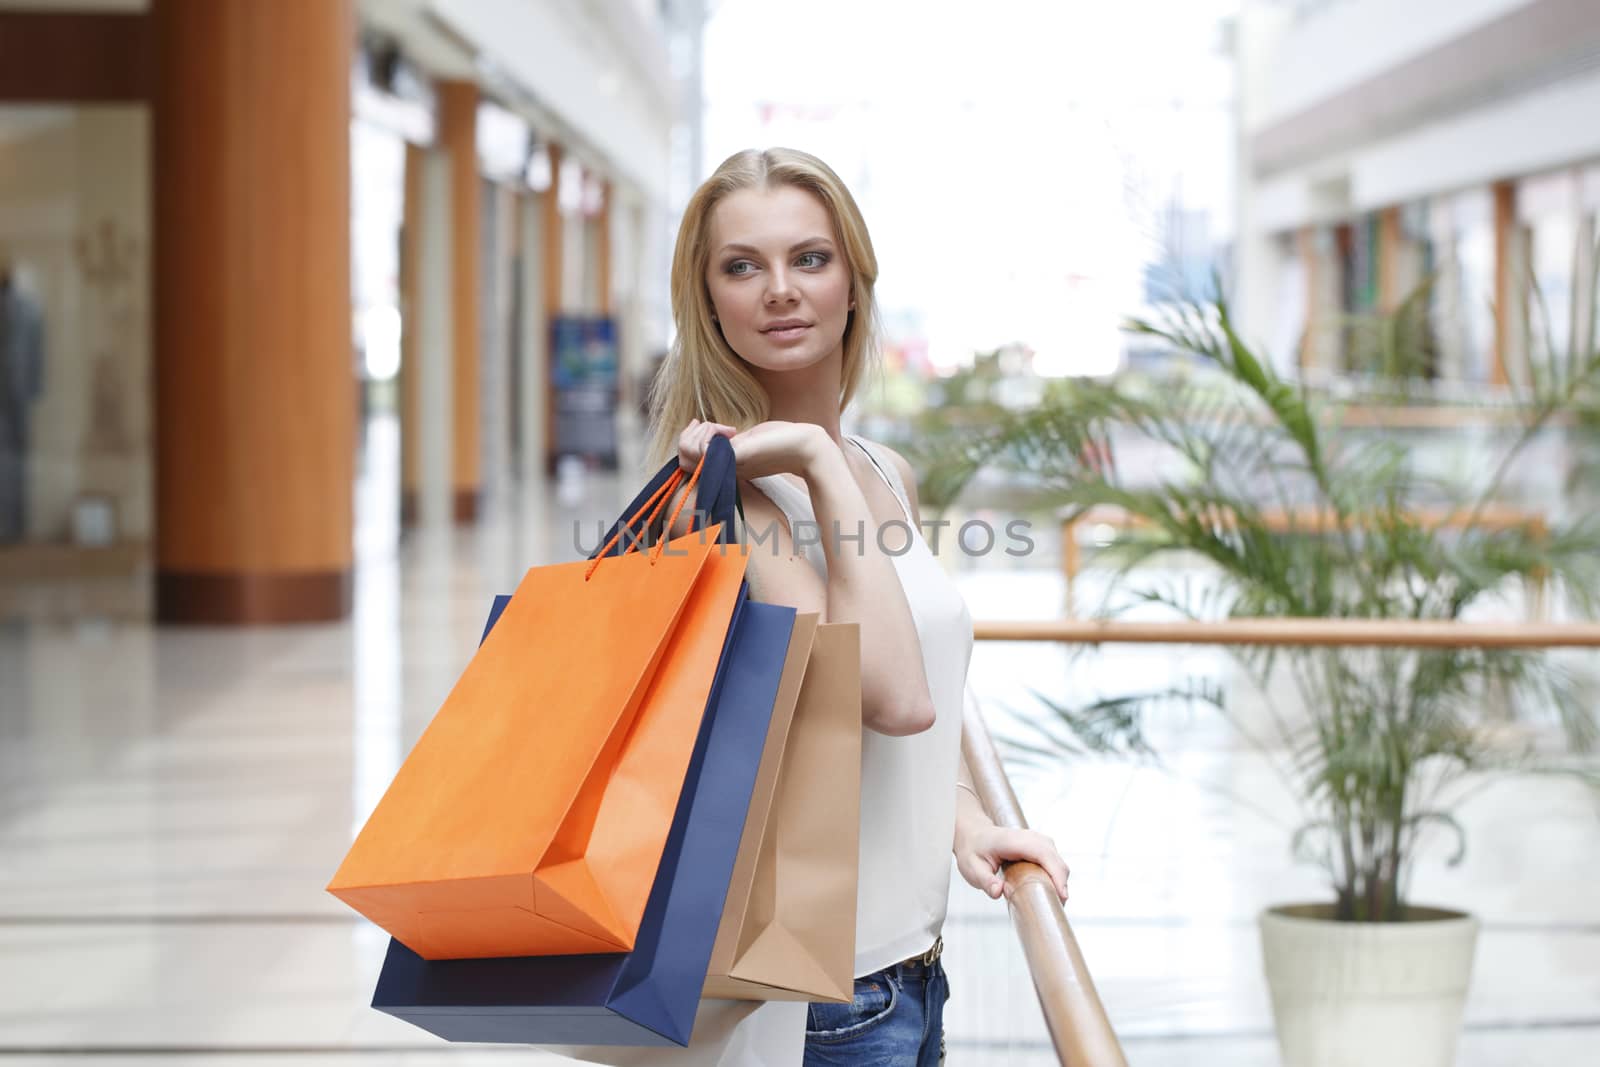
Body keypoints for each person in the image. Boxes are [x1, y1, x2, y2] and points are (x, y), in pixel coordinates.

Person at [648, 147, 1072, 1066]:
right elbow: (886, 693)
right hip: (815, 1001)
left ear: (854, 281)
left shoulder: (884, 472)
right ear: (709, 301)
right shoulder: (730, 506)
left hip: (915, 965)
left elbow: (919, 705)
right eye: (742, 266)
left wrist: (968, 822)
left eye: (809, 258)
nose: (779, 290)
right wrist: (808, 456)